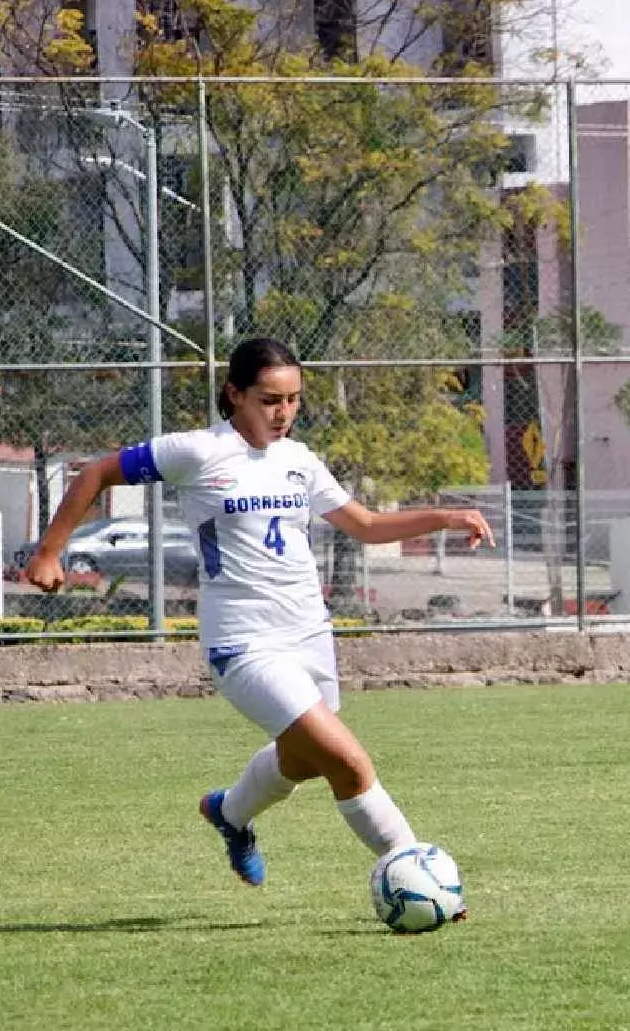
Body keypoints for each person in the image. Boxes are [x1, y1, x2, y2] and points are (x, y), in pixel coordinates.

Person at [24, 337, 493, 889]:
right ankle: (416, 874)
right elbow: (97, 473)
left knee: (303, 763)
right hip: (243, 640)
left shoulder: (298, 459)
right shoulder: (197, 451)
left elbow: (364, 526)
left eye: (294, 399)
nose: (285, 412)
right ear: (235, 395)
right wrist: (51, 551)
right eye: (271, 399)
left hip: (308, 632)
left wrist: (443, 516)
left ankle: (229, 814)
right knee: (348, 764)